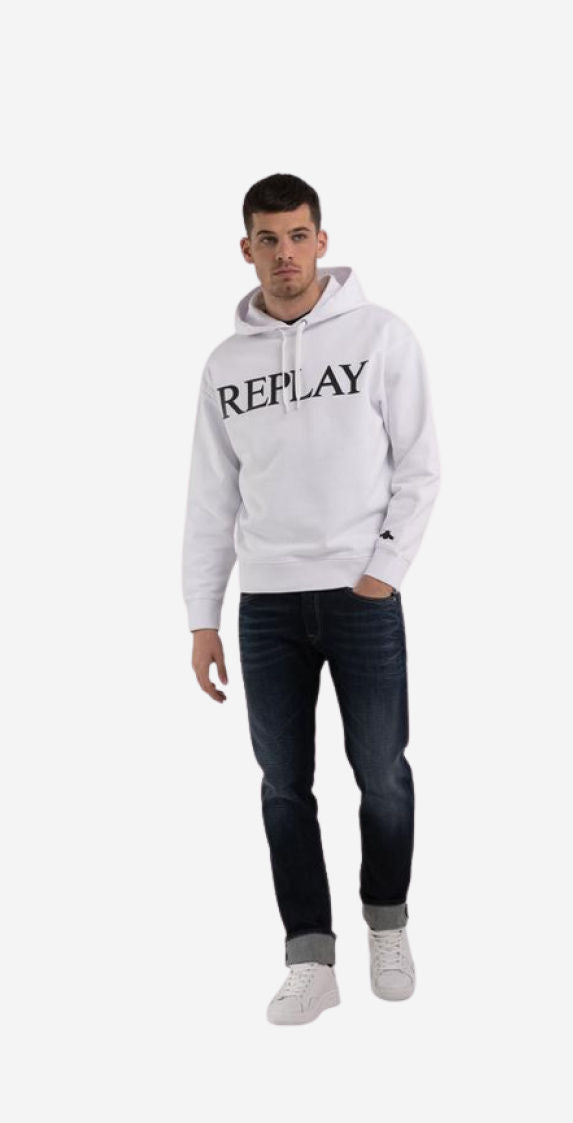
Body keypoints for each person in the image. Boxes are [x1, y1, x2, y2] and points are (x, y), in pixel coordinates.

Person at [181, 173, 441, 1024]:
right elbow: (210, 499)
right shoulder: (226, 366)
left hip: (362, 597)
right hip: (268, 607)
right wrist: (202, 617)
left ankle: (387, 926)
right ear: (246, 248)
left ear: (321, 242)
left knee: (383, 774)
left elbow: (420, 466)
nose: (285, 254)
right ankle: (310, 957)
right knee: (283, 786)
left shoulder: (381, 336)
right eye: (268, 239)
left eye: (298, 236)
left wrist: (383, 571)